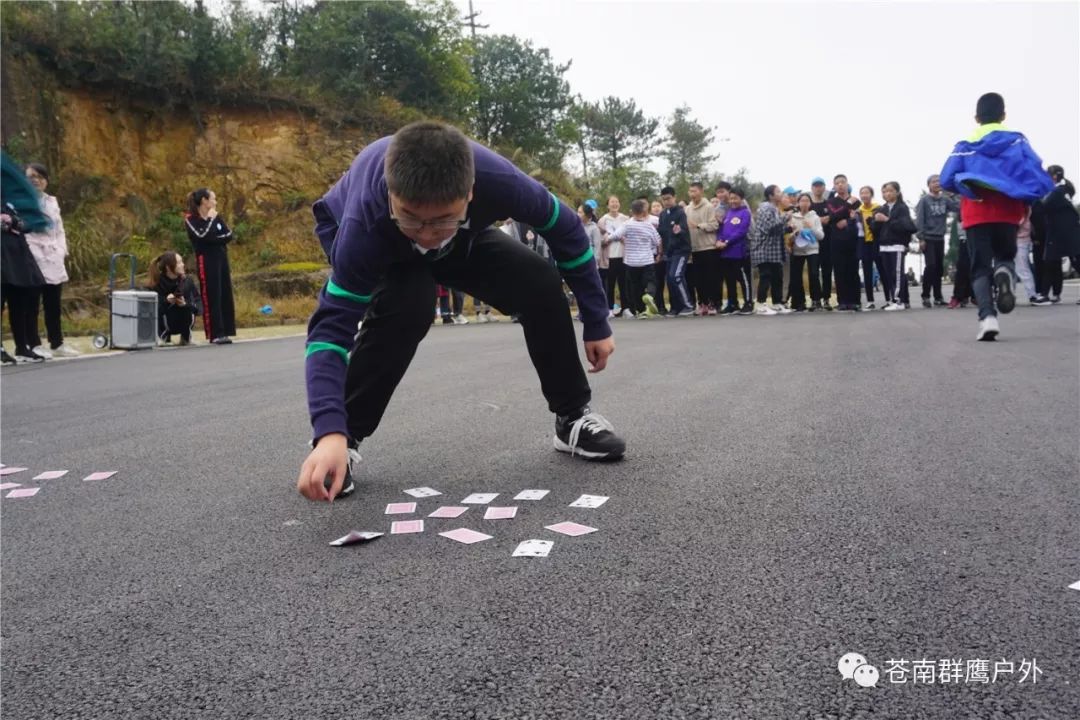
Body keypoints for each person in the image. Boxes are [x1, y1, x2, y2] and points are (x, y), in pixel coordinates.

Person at [298, 122, 625, 502]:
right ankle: (345, 439)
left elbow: (567, 231)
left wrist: (596, 321)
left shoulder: (500, 181)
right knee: (410, 301)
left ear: (470, 193)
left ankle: (571, 417)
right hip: (383, 240)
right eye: (412, 217)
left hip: (462, 239)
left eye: (441, 219)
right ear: (392, 193)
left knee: (538, 280)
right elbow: (328, 332)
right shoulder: (363, 226)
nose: (425, 234)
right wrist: (329, 431)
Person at [940, 92, 1054, 340]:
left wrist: (967, 186)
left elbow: (946, 178)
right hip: (1008, 211)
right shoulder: (1017, 141)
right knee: (1005, 257)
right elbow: (1034, 169)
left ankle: (988, 318)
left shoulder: (964, 145)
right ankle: (1004, 273)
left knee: (980, 268)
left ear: (976, 117)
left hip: (976, 212)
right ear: (1003, 116)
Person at [23, 163, 79, 358]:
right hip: (33, 256)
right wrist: (31, 253)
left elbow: (59, 229)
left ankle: (57, 342)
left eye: (39, 176)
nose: (36, 180)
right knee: (31, 303)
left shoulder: (52, 201)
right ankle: (33, 343)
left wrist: (62, 250)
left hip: (54, 257)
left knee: (53, 304)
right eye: (31, 177)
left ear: (46, 180)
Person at [1, 152, 48, 364]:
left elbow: (30, 221)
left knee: (20, 300)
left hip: (18, 253)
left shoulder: (15, 199)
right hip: (2, 255)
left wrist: (17, 223)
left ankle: (23, 346)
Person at [184, 188, 236, 344]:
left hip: (221, 258)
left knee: (224, 293)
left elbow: (228, 235)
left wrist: (213, 234)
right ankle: (215, 333)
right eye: (213, 199)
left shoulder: (216, 217)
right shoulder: (191, 219)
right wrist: (211, 222)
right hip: (206, 260)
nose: (215, 202)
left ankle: (225, 330)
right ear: (204, 201)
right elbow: (201, 235)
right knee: (211, 295)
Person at [1031, 165, 1080, 304]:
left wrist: (1032, 195)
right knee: (1050, 262)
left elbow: (1043, 206)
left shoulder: (1058, 191)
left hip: (1064, 232)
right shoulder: (1063, 190)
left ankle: (1046, 294)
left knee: (1075, 262)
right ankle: (1045, 294)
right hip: (1063, 231)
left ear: (1054, 176)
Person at [607, 199, 661, 318]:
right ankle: (650, 295)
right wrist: (656, 251)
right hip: (647, 260)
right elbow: (657, 241)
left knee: (635, 286)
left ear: (632, 211)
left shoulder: (627, 224)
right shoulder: (648, 225)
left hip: (631, 262)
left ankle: (641, 310)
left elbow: (616, 235)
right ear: (644, 211)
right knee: (651, 281)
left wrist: (608, 238)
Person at [871, 182, 918, 311]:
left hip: (897, 245)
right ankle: (894, 299)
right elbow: (874, 229)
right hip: (884, 245)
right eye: (885, 191)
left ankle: (899, 301)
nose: (887, 194)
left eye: (890, 191)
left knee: (897, 273)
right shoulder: (882, 208)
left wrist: (887, 220)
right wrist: (875, 220)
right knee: (888, 274)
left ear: (897, 192)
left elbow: (906, 226)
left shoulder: (902, 208)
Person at [915, 174, 960, 307]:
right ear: (928, 185)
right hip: (927, 238)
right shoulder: (924, 200)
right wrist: (921, 238)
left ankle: (938, 297)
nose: (937, 183)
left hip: (940, 238)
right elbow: (920, 220)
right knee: (931, 266)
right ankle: (926, 296)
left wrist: (952, 194)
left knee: (939, 268)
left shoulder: (945, 199)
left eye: (939, 181)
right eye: (934, 181)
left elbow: (958, 208)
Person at [750, 185, 791, 315]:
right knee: (765, 276)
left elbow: (776, 230)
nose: (781, 193)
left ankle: (777, 303)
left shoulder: (774, 209)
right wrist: (785, 218)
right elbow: (768, 228)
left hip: (774, 251)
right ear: (771, 195)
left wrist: (788, 229)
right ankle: (761, 304)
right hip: (764, 249)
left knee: (777, 277)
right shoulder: (765, 208)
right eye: (778, 192)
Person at [825, 176, 863, 311]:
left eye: (842, 182)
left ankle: (855, 301)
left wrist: (848, 221)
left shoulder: (857, 201)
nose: (840, 185)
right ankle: (843, 301)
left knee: (853, 270)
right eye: (837, 183)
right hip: (836, 240)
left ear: (847, 184)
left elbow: (858, 218)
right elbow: (833, 216)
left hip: (853, 239)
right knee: (839, 271)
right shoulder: (830, 201)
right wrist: (847, 206)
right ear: (834, 186)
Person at [149, 251, 200, 345]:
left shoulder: (187, 281)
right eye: (179, 262)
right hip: (166, 321)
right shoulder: (156, 284)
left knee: (186, 309)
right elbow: (150, 310)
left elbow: (199, 308)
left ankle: (186, 337)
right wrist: (166, 301)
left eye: (182, 262)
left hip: (183, 320)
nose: (183, 264)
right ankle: (162, 337)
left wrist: (185, 304)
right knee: (158, 308)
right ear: (168, 267)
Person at [657, 186, 693, 316]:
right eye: (664, 199)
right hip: (668, 252)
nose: (666, 201)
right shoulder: (662, 214)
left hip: (681, 250)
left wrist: (680, 231)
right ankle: (675, 307)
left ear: (674, 198)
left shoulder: (680, 212)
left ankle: (688, 305)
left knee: (676, 276)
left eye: (669, 198)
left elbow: (684, 230)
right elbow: (660, 233)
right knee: (670, 279)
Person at [686, 182, 721, 315]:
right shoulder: (687, 209)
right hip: (694, 249)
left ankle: (713, 304)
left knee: (710, 278)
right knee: (698, 280)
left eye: (694, 191)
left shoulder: (709, 207)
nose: (692, 194)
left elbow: (714, 225)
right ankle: (702, 304)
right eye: (690, 191)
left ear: (701, 191)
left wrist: (699, 225)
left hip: (708, 247)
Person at [717, 187, 753, 315]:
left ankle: (748, 303)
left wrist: (727, 242)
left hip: (739, 252)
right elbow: (722, 230)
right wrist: (719, 240)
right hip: (725, 253)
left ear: (741, 199)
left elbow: (741, 231)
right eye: (731, 198)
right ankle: (732, 303)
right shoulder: (728, 213)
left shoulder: (745, 213)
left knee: (743, 279)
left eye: (735, 198)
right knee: (729, 279)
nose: (733, 201)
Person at [787, 193, 824, 312]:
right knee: (796, 276)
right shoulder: (793, 217)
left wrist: (811, 227)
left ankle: (816, 301)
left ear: (810, 203)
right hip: (797, 251)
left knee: (813, 274)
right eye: (802, 200)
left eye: (807, 200)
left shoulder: (815, 217)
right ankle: (799, 302)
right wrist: (794, 234)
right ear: (797, 203)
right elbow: (789, 238)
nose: (804, 203)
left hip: (812, 250)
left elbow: (821, 236)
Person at [598, 196, 629, 317]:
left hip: (623, 256)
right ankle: (609, 308)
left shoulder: (625, 219)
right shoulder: (603, 220)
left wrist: (622, 238)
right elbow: (599, 240)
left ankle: (626, 308)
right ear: (607, 205)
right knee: (609, 284)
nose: (614, 204)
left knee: (624, 284)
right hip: (609, 257)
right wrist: (608, 239)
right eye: (612, 202)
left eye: (616, 202)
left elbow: (630, 236)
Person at [809, 177, 834, 310]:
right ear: (812, 188)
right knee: (813, 273)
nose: (818, 188)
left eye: (820, 186)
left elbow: (834, 216)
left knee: (827, 272)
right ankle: (815, 299)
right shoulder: (809, 205)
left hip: (827, 243)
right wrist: (818, 220)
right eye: (815, 186)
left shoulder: (829, 204)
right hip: (812, 244)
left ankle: (826, 299)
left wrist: (829, 218)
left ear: (824, 188)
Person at [856, 186, 883, 309]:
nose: (864, 195)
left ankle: (890, 298)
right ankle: (870, 301)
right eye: (862, 193)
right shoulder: (858, 211)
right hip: (864, 243)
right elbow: (857, 230)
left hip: (877, 242)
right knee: (867, 273)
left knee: (882, 270)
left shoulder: (879, 208)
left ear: (871, 195)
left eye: (867, 193)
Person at [1014, 208, 1048, 306]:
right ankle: (1032, 295)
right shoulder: (1027, 207)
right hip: (1022, 239)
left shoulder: (1021, 208)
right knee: (1023, 269)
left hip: (1015, 239)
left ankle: (1008, 294)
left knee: (1014, 269)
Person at [649, 199, 668, 315]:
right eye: (654, 206)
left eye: (658, 206)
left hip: (666, 252)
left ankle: (669, 305)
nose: (656, 208)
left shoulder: (665, 218)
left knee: (667, 281)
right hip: (653, 253)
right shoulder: (649, 220)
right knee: (657, 281)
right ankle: (658, 305)